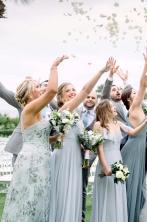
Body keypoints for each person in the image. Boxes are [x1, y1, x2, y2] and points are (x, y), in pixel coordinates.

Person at [48, 57, 115, 222]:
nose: (73, 92)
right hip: (64, 158)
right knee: (64, 194)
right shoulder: (65, 108)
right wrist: (101, 71)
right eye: (68, 91)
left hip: (75, 158)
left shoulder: (75, 113)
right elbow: (86, 90)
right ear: (61, 98)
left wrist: (87, 146)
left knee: (74, 194)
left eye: (73, 90)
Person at [2, 55, 67, 221]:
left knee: (38, 198)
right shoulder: (29, 108)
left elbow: (43, 137)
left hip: (42, 156)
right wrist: (54, 67)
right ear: (30, 93)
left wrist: (57, 137)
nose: (42, 89)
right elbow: (52, 90)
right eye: (38, 87)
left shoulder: (38, 111)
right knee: (29, 198)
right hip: (32, 159)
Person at [91, 99, 147, 222]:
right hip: (106, 161)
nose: (115, 109)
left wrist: (145, 122)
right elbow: (100, 149)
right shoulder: (99, 125)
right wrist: (106, 167)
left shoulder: (117, 123)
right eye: (112, 107)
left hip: (118, 160)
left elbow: (133, 132)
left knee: (117, 193)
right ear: (105, 109)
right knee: (106, 194)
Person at [120, 49, 147, 222]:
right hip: (133, 149)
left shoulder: (138, 109)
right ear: (129, 99)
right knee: (130, 185)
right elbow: (143, 85)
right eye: (134, 93)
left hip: (139, 148)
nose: (138, 94)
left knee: (136, 184)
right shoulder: (134, 108)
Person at [0, 79, 57, 165]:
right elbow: (3, 91)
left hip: (42, 152)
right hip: (21, 149)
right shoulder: (25, 103)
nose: (47, 88)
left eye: (50, 86)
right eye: (45, 85)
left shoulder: (53, 109)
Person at [78, 91, 98, 222]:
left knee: (82, 188)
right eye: (88, 96)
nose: (90, 99)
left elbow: (98, 140)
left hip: (86, 157)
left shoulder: (99, 116)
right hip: (70, 155)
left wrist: (89, 159)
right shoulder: (75, 112)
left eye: (93, 97)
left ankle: (81, 217)